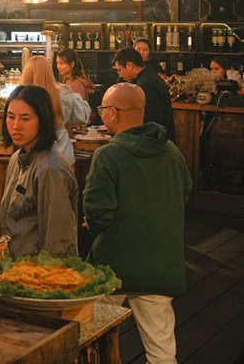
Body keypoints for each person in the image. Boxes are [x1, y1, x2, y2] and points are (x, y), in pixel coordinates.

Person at [84, 83, 191, 364]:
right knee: (161, 349)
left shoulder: (108, 155)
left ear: (114, 113)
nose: (100, 113)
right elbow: (185, 192)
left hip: (113, 266)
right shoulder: (171, 151)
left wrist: (93, 223)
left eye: (102, 108)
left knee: (93, 338)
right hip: (161, 264)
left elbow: (97, 213)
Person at [0, 85, 78, 259]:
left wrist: (47, 271)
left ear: (42, 121)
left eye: (25, 119)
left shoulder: (50, 169)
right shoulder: (16, 158)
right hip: (14, 266)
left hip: (38, 270)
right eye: (11, 117)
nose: (16, 126)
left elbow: (58, 239)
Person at [20, 55, 91, 166]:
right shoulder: (65, 91)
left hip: (33, 151)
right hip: (63, 152)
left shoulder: (21, 97)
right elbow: (80, 116)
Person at [112, 48, 175, 141]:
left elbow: (150, 120)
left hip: (156, 142)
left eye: (119, 70)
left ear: (129, 65)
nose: (120, 75)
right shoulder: (148, 75)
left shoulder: (146, 84)